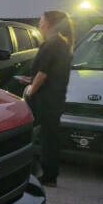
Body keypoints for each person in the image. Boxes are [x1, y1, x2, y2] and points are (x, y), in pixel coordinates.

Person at [24, 10, 74, 187]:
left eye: (41, 21)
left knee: (34, 135)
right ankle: (49, 174)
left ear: (50, 24)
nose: (39, 23)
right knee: (49, 137)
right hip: (55, 99)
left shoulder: (51, 44)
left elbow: (42, 74)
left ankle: (42, 173)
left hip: (44, 99)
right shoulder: (61, 44)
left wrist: (29, 92)